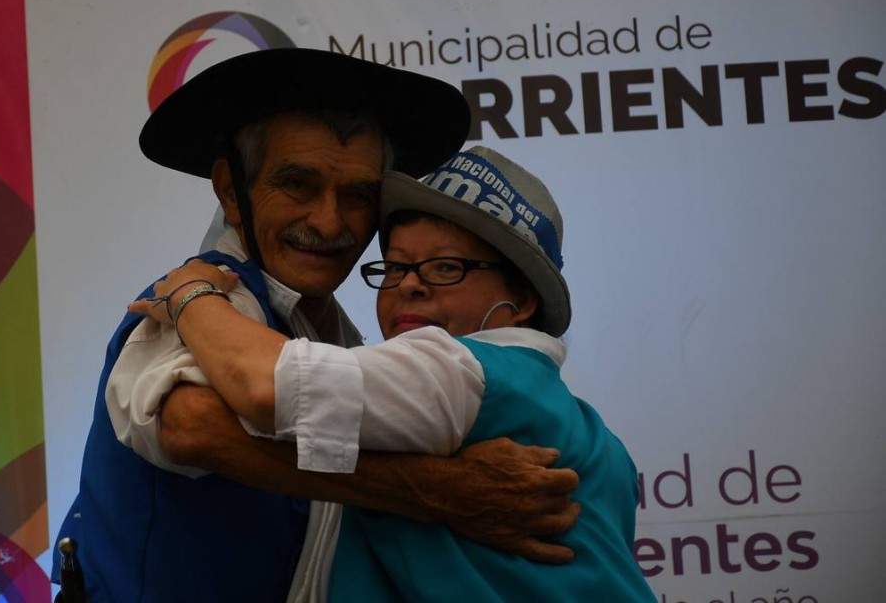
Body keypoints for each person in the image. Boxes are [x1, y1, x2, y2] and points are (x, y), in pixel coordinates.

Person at [53, 49, 581, 603]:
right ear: (231, 190)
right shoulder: (193, 304)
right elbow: (194, 428)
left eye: (358, 195)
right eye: (298, 185)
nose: (329, 222)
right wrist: (438, 488)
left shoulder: (344, 340)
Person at [130, 144, 657, 602]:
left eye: (446, 267)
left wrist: (191, 293)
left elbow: (265, 385)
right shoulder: (602, 443)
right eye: (397, 267)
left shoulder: (451, 368)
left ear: (521, 300)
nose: (410, 285)